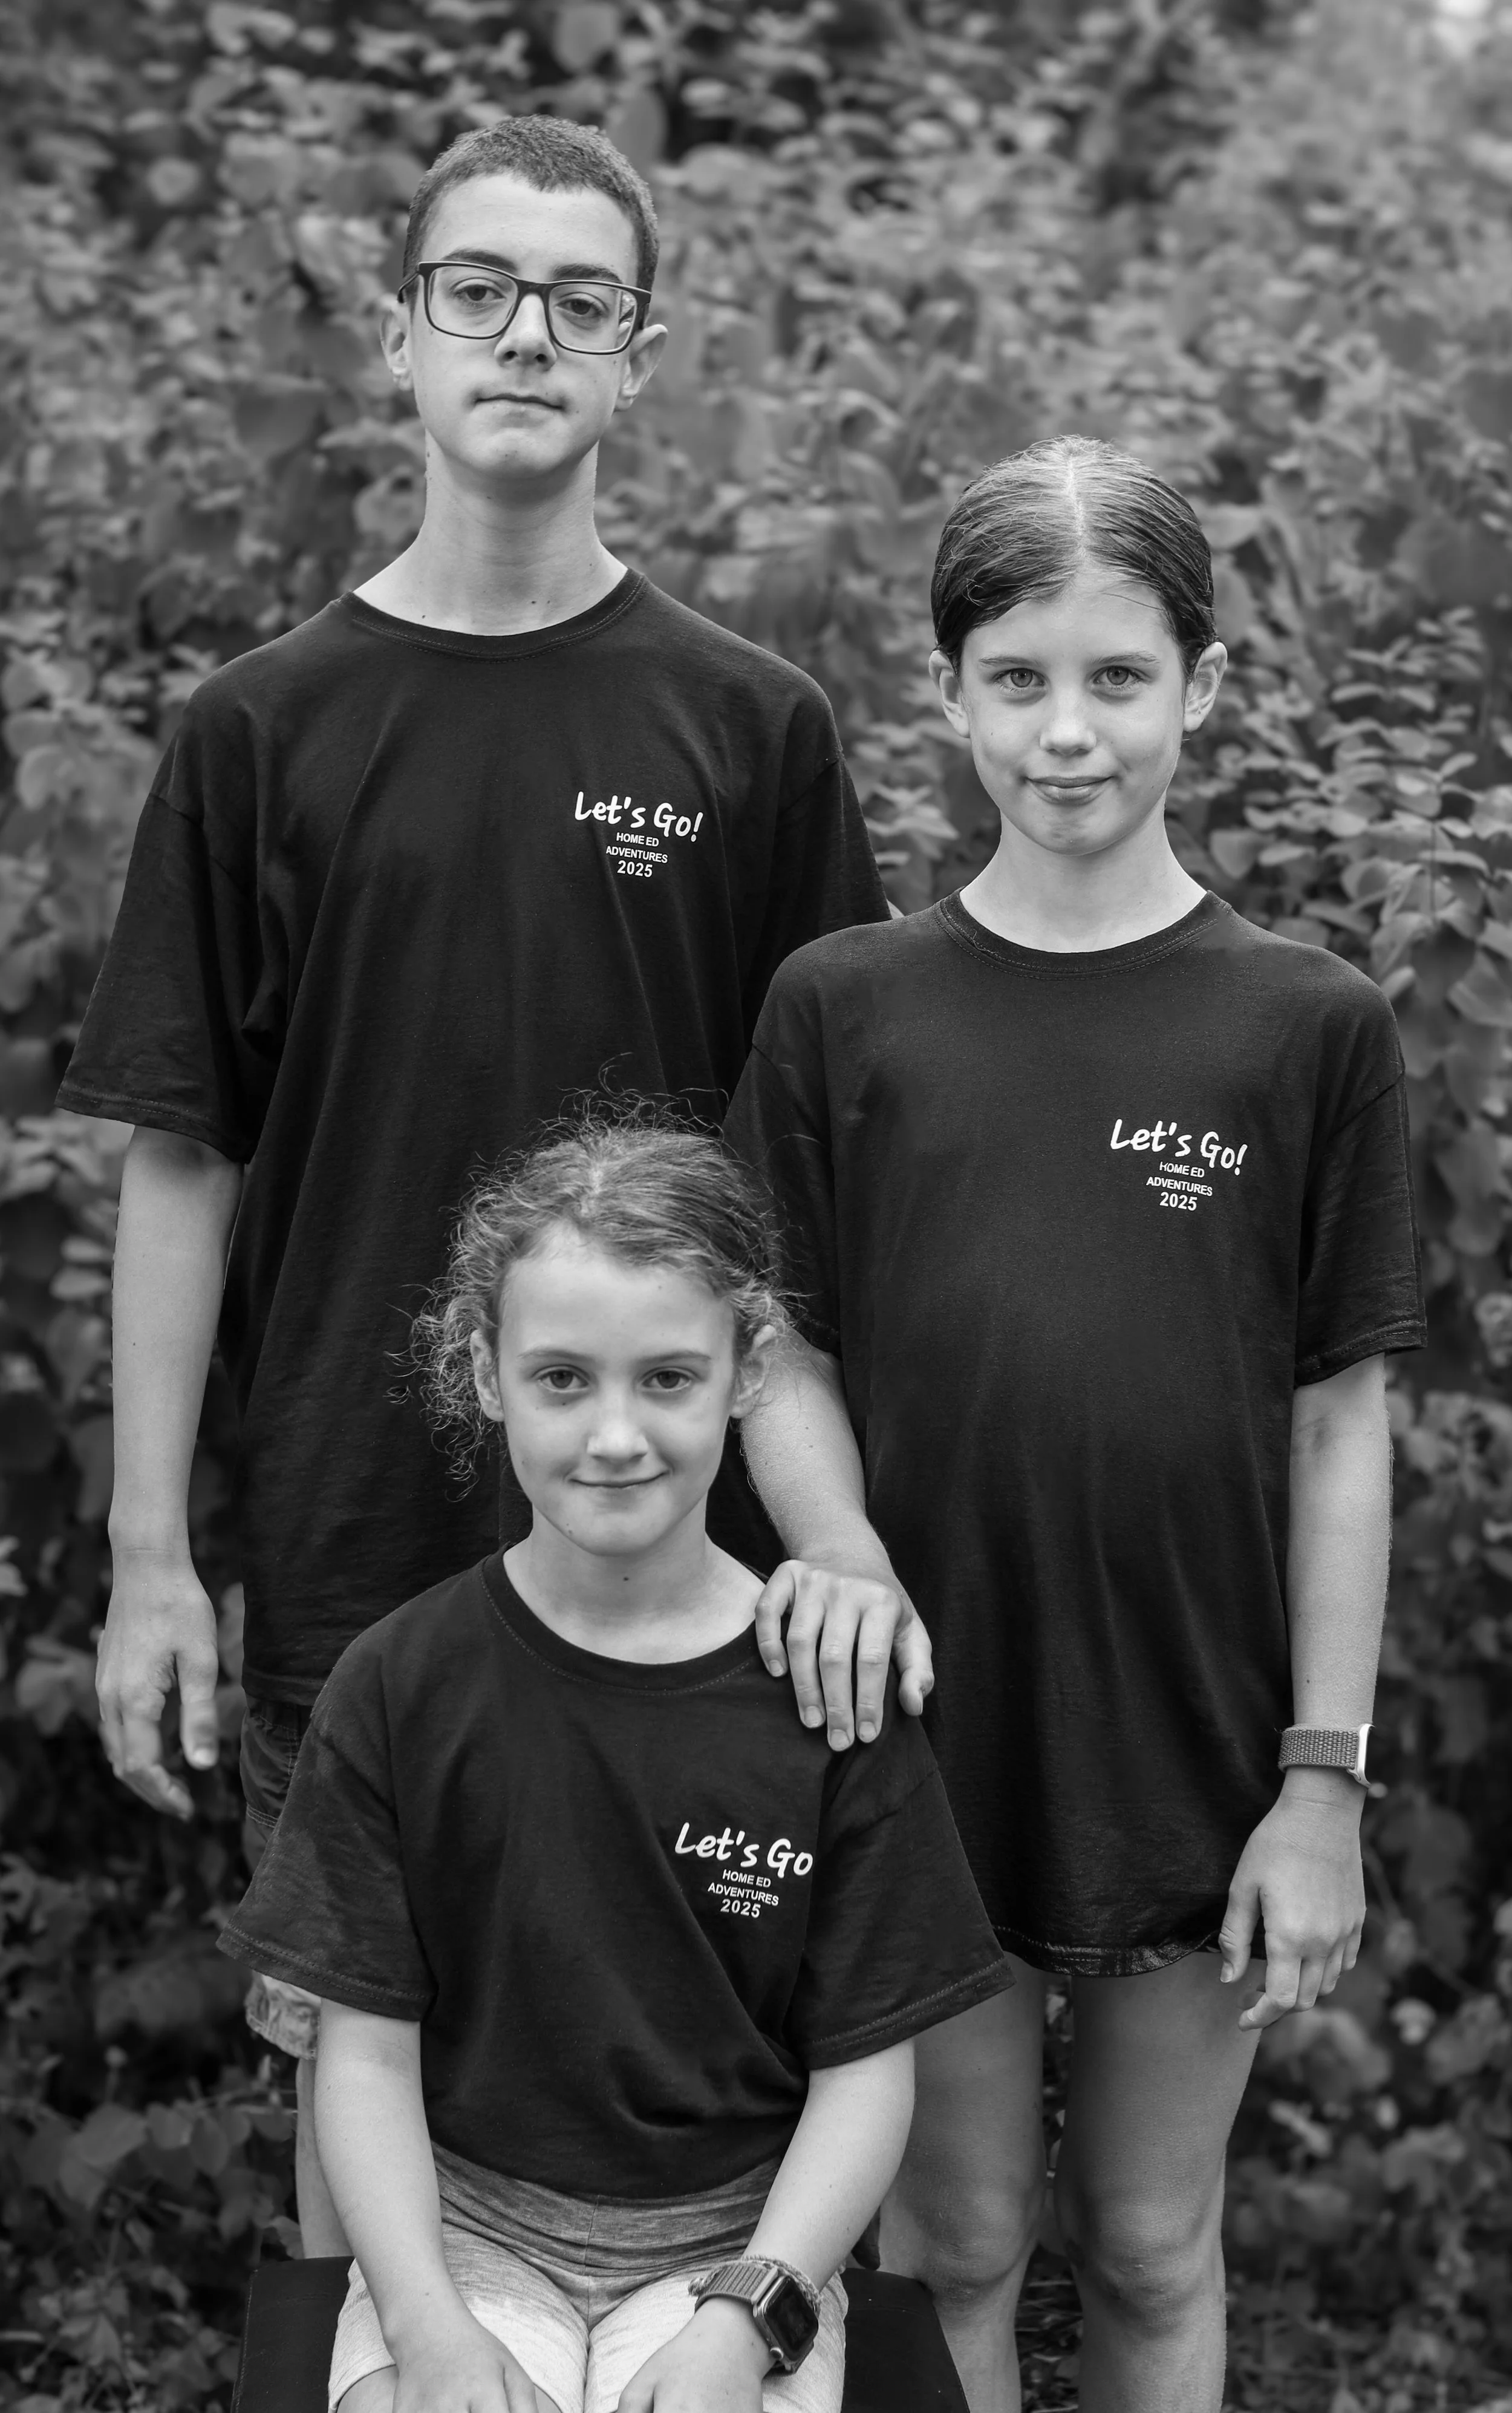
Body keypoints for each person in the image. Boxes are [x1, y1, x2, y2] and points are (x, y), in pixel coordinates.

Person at [58, 116, 926, 2240]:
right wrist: (154, 1554)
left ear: (639, 359)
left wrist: (842, 1541)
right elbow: (184, 1157)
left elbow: (798, 1209)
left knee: (701, 2160)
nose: (525, 333)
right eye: (477, 289)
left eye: (581, 299)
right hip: (354, 1559)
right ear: (400, 338)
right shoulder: (261, 727)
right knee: (366, 2189)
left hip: (681, 1569)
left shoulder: (753, 729)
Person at [723, 436, 1426, 2413]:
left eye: (1119, 676)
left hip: (1195, 1744)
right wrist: (839, 1551)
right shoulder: (845, 1007)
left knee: (1145, 2237)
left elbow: (1341, 1423)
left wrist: (1324, 1774)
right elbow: (773, 1342)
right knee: (945, 2240)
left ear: (1203, 688)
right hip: (908, 1734)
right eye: (1019, 676)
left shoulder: (1306, 1025)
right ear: (949, 691)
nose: (1067, 728)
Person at [218, 1114, 1009, 2413]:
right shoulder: (399, 1682)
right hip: (462, 2236)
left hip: (739, 2245)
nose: (615, 1434)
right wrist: (428, 2329)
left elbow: (865, 2069)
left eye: (666, 1377)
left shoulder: (823, 1694)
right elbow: (357, 2053)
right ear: (485, 1372)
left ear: (746, 1373)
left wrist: (750, 2315)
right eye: (563, 1377)